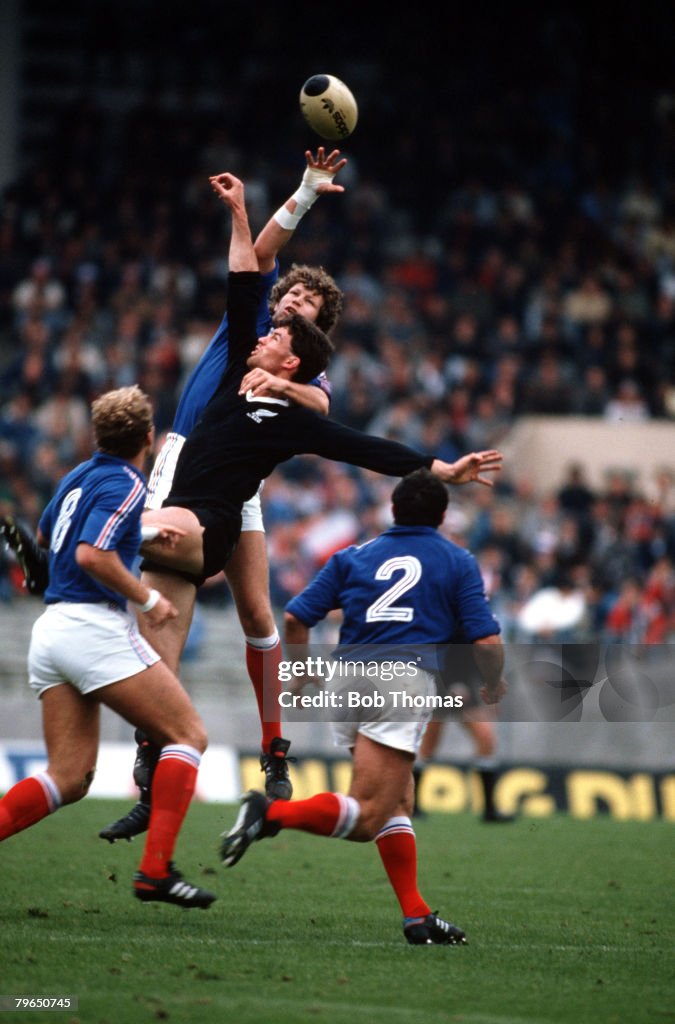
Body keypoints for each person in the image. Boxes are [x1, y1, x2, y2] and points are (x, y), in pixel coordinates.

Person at [2, 147, 348, 839]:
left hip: (234, 487)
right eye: (287, 296)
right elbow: (257, 255)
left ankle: (273, 752)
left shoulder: (299, 369)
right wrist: (303, 191)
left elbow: (318, 405)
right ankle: (148, 762)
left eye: (303, 305)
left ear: (315, 331)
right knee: (164, 621)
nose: (288, 303)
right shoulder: (251, 322)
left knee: (258, 611)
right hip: (185, 467)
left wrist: (282, 385)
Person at [219, 468, 508, 945]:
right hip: (402, 680)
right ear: (440, 516)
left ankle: (417, 916)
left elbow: (294, 617)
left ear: (393, 510)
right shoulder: (456, 560)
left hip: (348, 681)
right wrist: (493, 682)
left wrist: (301, 671)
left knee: (399, 801)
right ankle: (268, 814)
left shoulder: (354, 556)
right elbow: (488, 640)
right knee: (370, 813)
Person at [0, 385, 215, 910]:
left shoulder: (77, 477)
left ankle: (154, 868)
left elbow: (53, 536)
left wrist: (136, 537)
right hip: (93, 629)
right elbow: (92, 555)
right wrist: (147, 598)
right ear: (149, 437)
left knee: (69, 777)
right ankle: (154, 871)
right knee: (188, 735)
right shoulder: (127, 482)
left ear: (97, 435)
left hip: (52, 631)